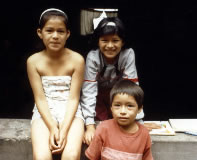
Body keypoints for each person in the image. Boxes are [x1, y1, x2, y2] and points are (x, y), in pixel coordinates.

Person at [81, 17, 159, 145]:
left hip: (120, 97)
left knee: (125, 124)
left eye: (115, 40)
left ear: (122, 42)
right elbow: (89, 91)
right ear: (98, 41)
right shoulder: (93, 57)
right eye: (104, 40)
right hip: (97, 99)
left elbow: (132, 88)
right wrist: (89, 125)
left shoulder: (128, 54)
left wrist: (138, 121)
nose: (110, 45)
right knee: (103, 126)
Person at [27, 8, 85, 160]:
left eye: (60, 31)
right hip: (44, 111)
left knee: (71, 155)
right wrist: (53, 127)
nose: (55, 36)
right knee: (41, 156)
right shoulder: (33, 61)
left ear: (68, 34)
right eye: (49, 30)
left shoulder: (77, 59)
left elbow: (74, 98)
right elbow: (39, 98)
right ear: (40, 32)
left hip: (71, 112)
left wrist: (64, 130)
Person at [85, 79, 153, 160]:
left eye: (130, 106)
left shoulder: (144, 134)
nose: (123, 111)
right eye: (117, 105)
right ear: (111, 108)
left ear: (139, 109)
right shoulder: (103, 129)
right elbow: (91, 157)